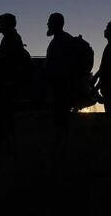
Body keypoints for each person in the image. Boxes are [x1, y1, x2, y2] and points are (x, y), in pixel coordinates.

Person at [0, 13, 30, 153]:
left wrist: (7, 80)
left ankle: (7, 145)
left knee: (4, 115)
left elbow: (9, 63)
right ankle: (7, 144)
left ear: (8, 24)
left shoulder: (12, 39)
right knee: (5, 115)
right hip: (6, 83)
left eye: (0, 22)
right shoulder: (10, 38)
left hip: (7, 84)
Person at [45, 12, 74, 146]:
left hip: (62, 86)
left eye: (50, 21)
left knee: (61, 117)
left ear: (57, 24)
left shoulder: (63, 40)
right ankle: (61, 144)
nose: (47, 24)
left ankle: (62, 146)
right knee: (59, 118)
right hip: (58, 85)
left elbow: (63, 65)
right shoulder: (59, 39)